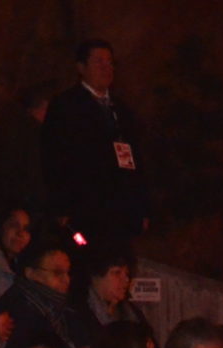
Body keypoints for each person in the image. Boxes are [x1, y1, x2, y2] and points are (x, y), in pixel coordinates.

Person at [39, 38, 148, 249]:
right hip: (83, 209)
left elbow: (136, 161)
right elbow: (53, 158)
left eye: (110, 63)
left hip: (120, 212)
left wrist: (141, 207)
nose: (106, 68)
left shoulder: (122, 110)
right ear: (81, 67)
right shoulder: (66, 105)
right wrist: (60, 207)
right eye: (99, 62)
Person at [0, 234, 87, 348]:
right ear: (31, 273)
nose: (66, 280)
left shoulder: (64, 311)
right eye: (57, 273)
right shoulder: (18, 312)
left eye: (68, 273)